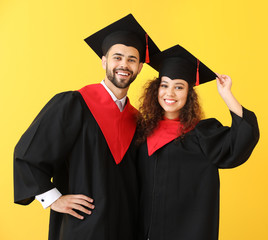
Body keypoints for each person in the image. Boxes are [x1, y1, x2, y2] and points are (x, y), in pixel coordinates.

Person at [13, 14, 160, 240]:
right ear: (104, 61)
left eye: (132, 59)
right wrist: (52, 198)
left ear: (140, 67)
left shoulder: (138, 121)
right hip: (81, 228)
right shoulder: (73, 105)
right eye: (117, 57)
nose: (124, 64)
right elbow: (28, 153)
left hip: (125, 228)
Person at [135, 45, 260, 240]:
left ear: (189, 93)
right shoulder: (141, 132)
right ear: (156, 89)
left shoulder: (203, 135)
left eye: (179, 87)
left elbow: (243, 138)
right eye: (165, 85)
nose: (170, 93)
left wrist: (226, 94)